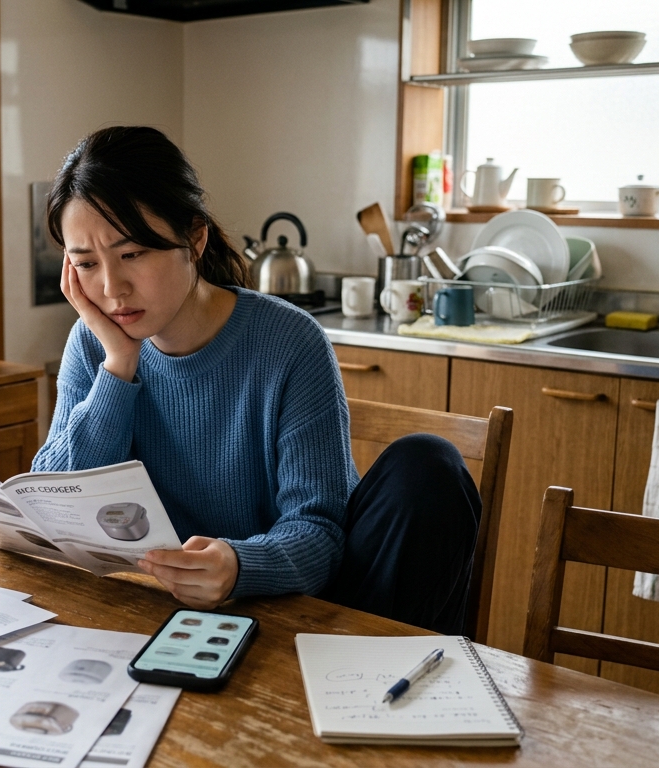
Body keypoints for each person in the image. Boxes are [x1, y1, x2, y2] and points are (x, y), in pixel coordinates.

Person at [31, 126, 481, 635]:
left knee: (427, 463)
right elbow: (53, 507)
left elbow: (320, 532)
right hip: (152, 612)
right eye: (86, 263)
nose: (112, 288)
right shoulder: (93, 342)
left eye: (132, 254)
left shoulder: (289, 342)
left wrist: (239, 566)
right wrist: (118, 366)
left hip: (286, 609)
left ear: (194, 238)